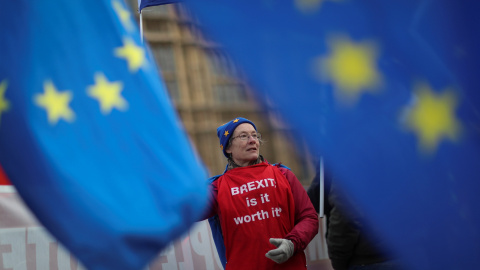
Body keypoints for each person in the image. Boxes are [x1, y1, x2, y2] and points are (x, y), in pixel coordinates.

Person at [201, 117, 319, 270]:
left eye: (255, 135)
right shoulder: (218, 188)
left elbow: (309, 217)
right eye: (244, 136)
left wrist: (292, 243)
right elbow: (189, 211)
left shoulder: (284, 175)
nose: (252, 140)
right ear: (227, 148)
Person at [307, 164, 400, 270]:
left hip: (369, 259)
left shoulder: (351, 157)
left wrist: (338, 259)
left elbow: (345, 216)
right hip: (407, 254)